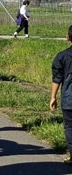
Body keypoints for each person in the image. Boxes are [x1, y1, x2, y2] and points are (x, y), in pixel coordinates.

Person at [50, 25, 72, 164]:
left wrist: (53, 96)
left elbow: (57, 78)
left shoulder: (62, 56)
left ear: (67, 37)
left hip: (69, 99)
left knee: (70, 128)